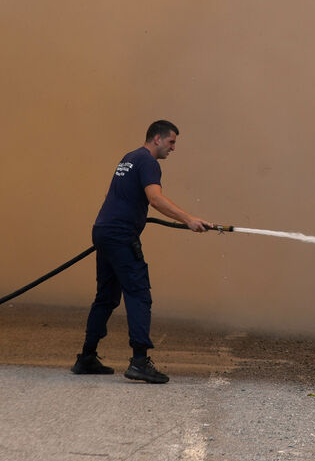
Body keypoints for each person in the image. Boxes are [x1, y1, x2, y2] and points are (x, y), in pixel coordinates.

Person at [71, 120, 213, 383]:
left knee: (106, 297)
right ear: (156, 139)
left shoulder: (129, 158)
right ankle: (139, 362)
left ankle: (87, 357)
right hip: (120, 235)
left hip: (104, 229)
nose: (173, 148)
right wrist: (189, 219)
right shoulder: (149, 162)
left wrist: (121, 220)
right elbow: (155, 199)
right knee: (138, 294)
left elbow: (112, 194)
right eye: (171, 142)